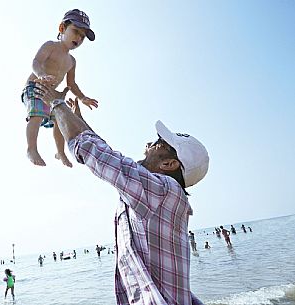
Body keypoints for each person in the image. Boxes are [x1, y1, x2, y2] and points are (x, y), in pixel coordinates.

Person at [32, 87, 209, 304]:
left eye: (158, 143)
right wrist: (77, 120)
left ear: (169, 164)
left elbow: (97, 154)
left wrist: (57, 105)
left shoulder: (163, 191)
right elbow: (110, 157)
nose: (149, 144)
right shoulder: (157, 195)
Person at [22, 9, 98, 167]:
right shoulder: (51, 46)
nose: (78, 38)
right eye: (75, 31)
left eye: (82, 36)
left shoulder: (72, 61)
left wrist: (82, 97)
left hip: (50, 94)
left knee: (60, 118)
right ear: (62, 28)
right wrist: (41, 75)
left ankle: (60, 152)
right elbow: (35, 62)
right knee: (36, 115)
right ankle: (31, 148)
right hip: (35, 86)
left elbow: (71, 84)